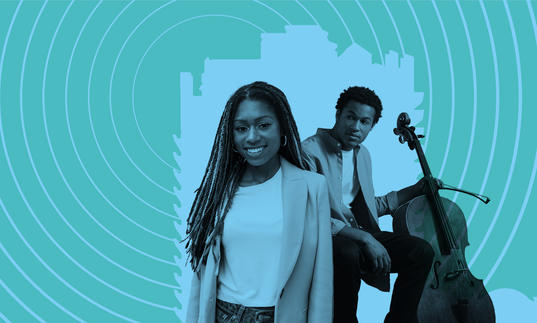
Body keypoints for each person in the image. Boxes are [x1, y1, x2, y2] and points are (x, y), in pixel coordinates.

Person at [185, 81, 333, 323]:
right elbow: (200, 281)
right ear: (231, 135)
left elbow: (322, 283)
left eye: (263, 125)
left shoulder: (312, 187)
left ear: (282, 128)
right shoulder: (217, 191)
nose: (252, 137)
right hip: (224, 315)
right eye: (241, 128)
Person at [302, 86, 436, 323]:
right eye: (351, 117)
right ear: (338, 115)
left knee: (421, 252)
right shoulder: (308, 151)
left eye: (364, 122)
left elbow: (363, 207)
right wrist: (364, 238)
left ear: (372, 126)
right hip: (322, 241)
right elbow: (307, 213)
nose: (356, 127)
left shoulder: (362, 155)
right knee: (348, 252)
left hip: (357, 237)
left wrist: (414, 191)